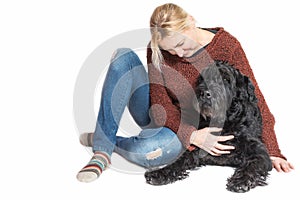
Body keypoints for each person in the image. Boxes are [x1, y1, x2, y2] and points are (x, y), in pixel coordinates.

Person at [76, 3, 294, 183]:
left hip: (185, 126)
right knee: (123, 56)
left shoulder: (227, 46)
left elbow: (253, 95)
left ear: (190, 21)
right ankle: (102, 151)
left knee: (149, 153)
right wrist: (192, 135)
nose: (178, 53)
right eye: (170, 51)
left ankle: (106, 138)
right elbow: (160, 103)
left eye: (181, 44)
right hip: (159, 113)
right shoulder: (157, 49)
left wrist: (273, 149)